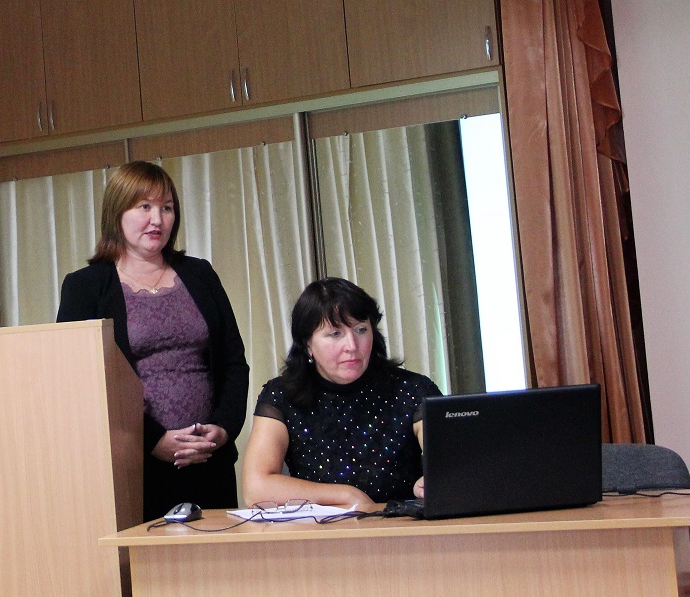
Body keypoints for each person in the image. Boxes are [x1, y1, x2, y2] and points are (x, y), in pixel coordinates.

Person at [56, 160, 249, 521]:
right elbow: (81, 383)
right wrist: (153, 440)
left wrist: (222, 429)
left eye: (167, 208)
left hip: (208, 458)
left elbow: (233, 362)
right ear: (117, 212)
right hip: (134, 465)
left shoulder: (200, 274)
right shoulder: (85, 286)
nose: (157, 219)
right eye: (144, 206)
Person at [241, 277, 442, 508]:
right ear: (307, 344)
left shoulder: (412, 389)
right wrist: (346, 496)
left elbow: (452, 462)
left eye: (361, 330)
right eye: (335, 334)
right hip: (320, 528)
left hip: (401, 526)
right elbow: (256, 488)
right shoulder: (282, 395)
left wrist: (437, 481)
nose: (352, 346)